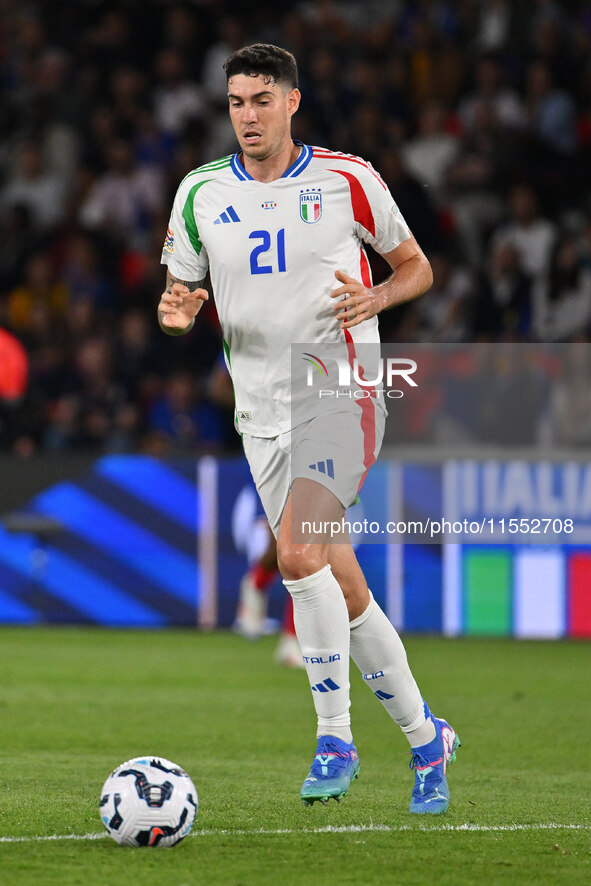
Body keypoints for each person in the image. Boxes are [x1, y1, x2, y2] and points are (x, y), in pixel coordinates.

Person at [158, 43, 459, 813]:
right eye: (235, 102)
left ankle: (334, 738)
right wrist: (174, 312)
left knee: (296, 552)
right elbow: (179, 293)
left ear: (292, 102)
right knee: (341, 582)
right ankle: (428, 741)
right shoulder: (197, 193)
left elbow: (415, 266)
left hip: (341, 390)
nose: (247, 115)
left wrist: (377, 301)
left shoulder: (347, 179)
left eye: (261, 99)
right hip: (259, 410)